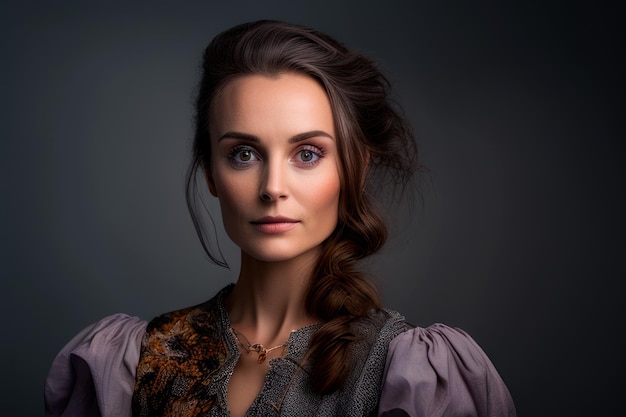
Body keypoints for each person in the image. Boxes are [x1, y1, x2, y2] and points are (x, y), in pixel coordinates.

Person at [44, 20, 516, 417]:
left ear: (354, 168)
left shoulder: (413, 374)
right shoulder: (133, 361)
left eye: (307, 153)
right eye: (244, 153)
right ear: (210, 170)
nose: (273, 187)